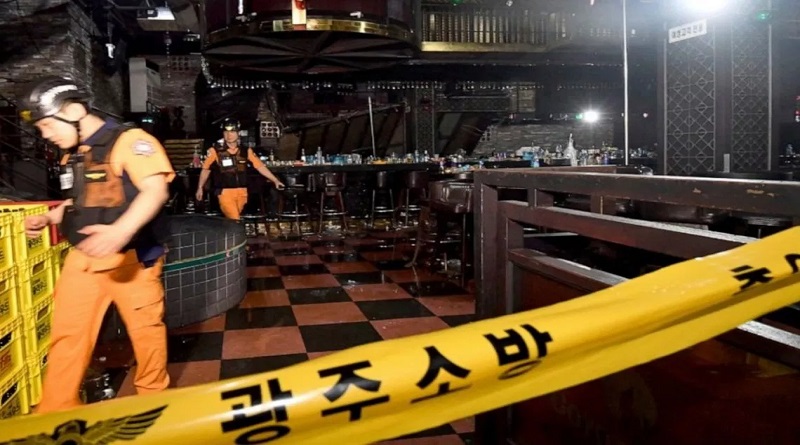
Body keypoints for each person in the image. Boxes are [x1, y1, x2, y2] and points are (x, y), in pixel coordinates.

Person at [18, 76, 172, 413]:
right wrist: (49, 218)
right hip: (84, 259)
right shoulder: (74, 155)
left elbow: (155, 190)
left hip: (130, 261)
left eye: (47, 125)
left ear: (73, 111)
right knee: (67, 335)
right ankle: (56, 409)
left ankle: (154, 403)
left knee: (145, 335)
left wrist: (120, 232)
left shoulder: (131, 141)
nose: (45, 135)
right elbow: (80, 202)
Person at [195, 118, 284, 220]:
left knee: (233, 221)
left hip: (242, 192)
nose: (229, 135)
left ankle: (229, 230)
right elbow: (205, 169)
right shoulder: (215, 151)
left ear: (238, 133)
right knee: (235, 219)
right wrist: (200, 187)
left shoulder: (246, 151)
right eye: (226, 132)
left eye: (232, 132)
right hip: (225, 192)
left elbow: (260, 166)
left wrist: (275, 180)